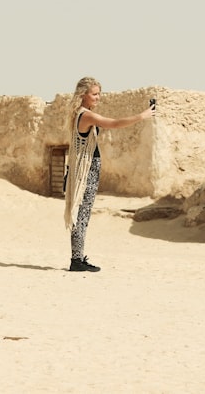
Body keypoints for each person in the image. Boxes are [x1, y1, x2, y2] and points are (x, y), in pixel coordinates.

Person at [64, 77, 156, 272]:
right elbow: (113, 123)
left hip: (84, 168)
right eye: (94, 94)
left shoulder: (76, 113)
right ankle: (76, 260)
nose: (98, 97)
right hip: (86, 170)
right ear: (84, 95)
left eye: (99, 93)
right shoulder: (86, 115)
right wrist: (142, 115)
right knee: (82, 214)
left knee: (82, 213)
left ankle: (78, 257)